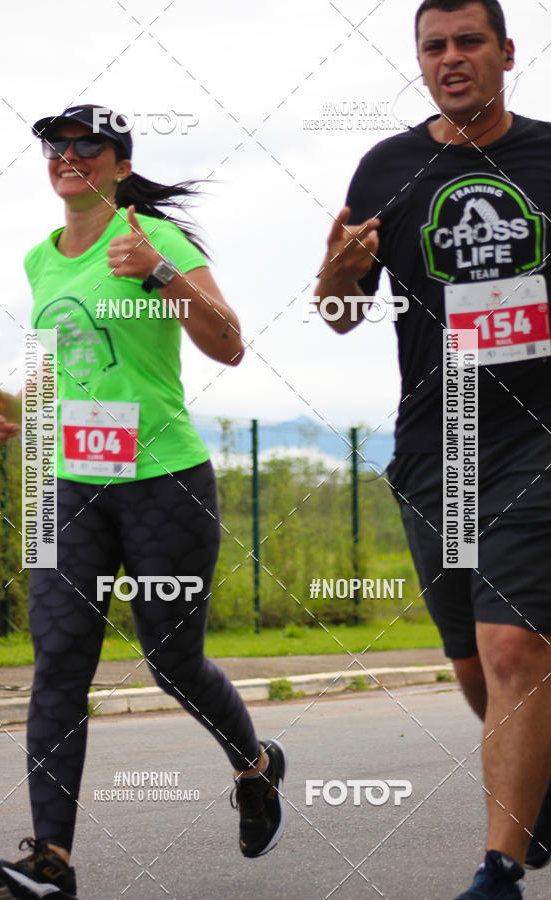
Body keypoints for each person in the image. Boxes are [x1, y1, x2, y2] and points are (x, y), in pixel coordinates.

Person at [0, 104, 285, 900]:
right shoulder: (40, 261)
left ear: (119, 163)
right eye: (58, 144)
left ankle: (254, 767)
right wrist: (18, 409)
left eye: (91, 146)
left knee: (171, 663)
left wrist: (158, 270)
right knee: (58, 665)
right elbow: (67, 364)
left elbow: (228, 342)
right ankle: (52, 860)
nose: (70, 155)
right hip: (69, 485)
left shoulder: (157, 241)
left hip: (163, 484)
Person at [315, 2, 551, 897]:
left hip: (540, 438)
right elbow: (340, 314)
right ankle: (536, 803)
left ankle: (498, 870)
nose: (452, 59)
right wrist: (336, 273)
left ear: (506, 53)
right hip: (437, 442)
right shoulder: (388, 167)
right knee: (470, 663)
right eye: (435, 46)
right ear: (421, 59)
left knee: (515, 648)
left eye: (469, 42)